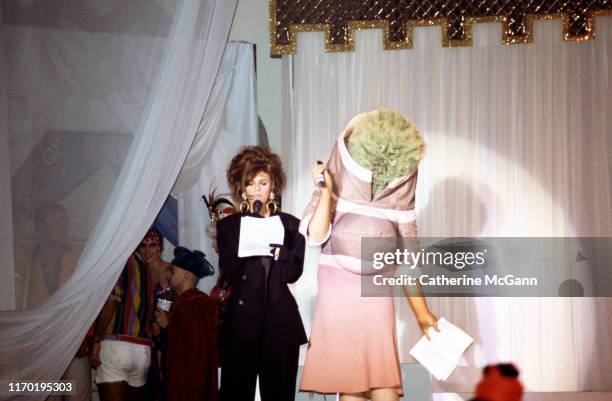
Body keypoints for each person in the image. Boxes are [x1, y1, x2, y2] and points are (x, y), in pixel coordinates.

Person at [299, 109, 439, 401]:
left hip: (376, 292)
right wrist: (325, 193)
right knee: (352, 381)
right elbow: (315, 236)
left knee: (381, 375)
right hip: (337, 290)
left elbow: (409, 261)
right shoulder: (334, 182)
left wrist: (423, 314)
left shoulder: (401, 195)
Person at [217, 146, 307, 401]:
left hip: (280, 323)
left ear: (274, 185)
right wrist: (250, 233)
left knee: (280, 395)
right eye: (250, 183)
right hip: (241, 323)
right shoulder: (229, 226)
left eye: (263, 182)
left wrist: (279, 254)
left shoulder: (290, 224)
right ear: (241, 188)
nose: (257, 189)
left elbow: (292, 274)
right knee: (235, 393)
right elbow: (230, 271)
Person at [153, 246, 218, 401]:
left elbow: (195, 348)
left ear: (186, 275)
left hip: (189, 387)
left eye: (172, 271)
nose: (167, 276)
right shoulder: (184, 302)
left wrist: (167, 326)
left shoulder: (194, 303)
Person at [90, 252, 154, 401]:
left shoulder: (117, 258)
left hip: (116, 345)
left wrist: (97, 339)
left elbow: (112, 300)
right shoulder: (144, 265)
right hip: (142, 350)